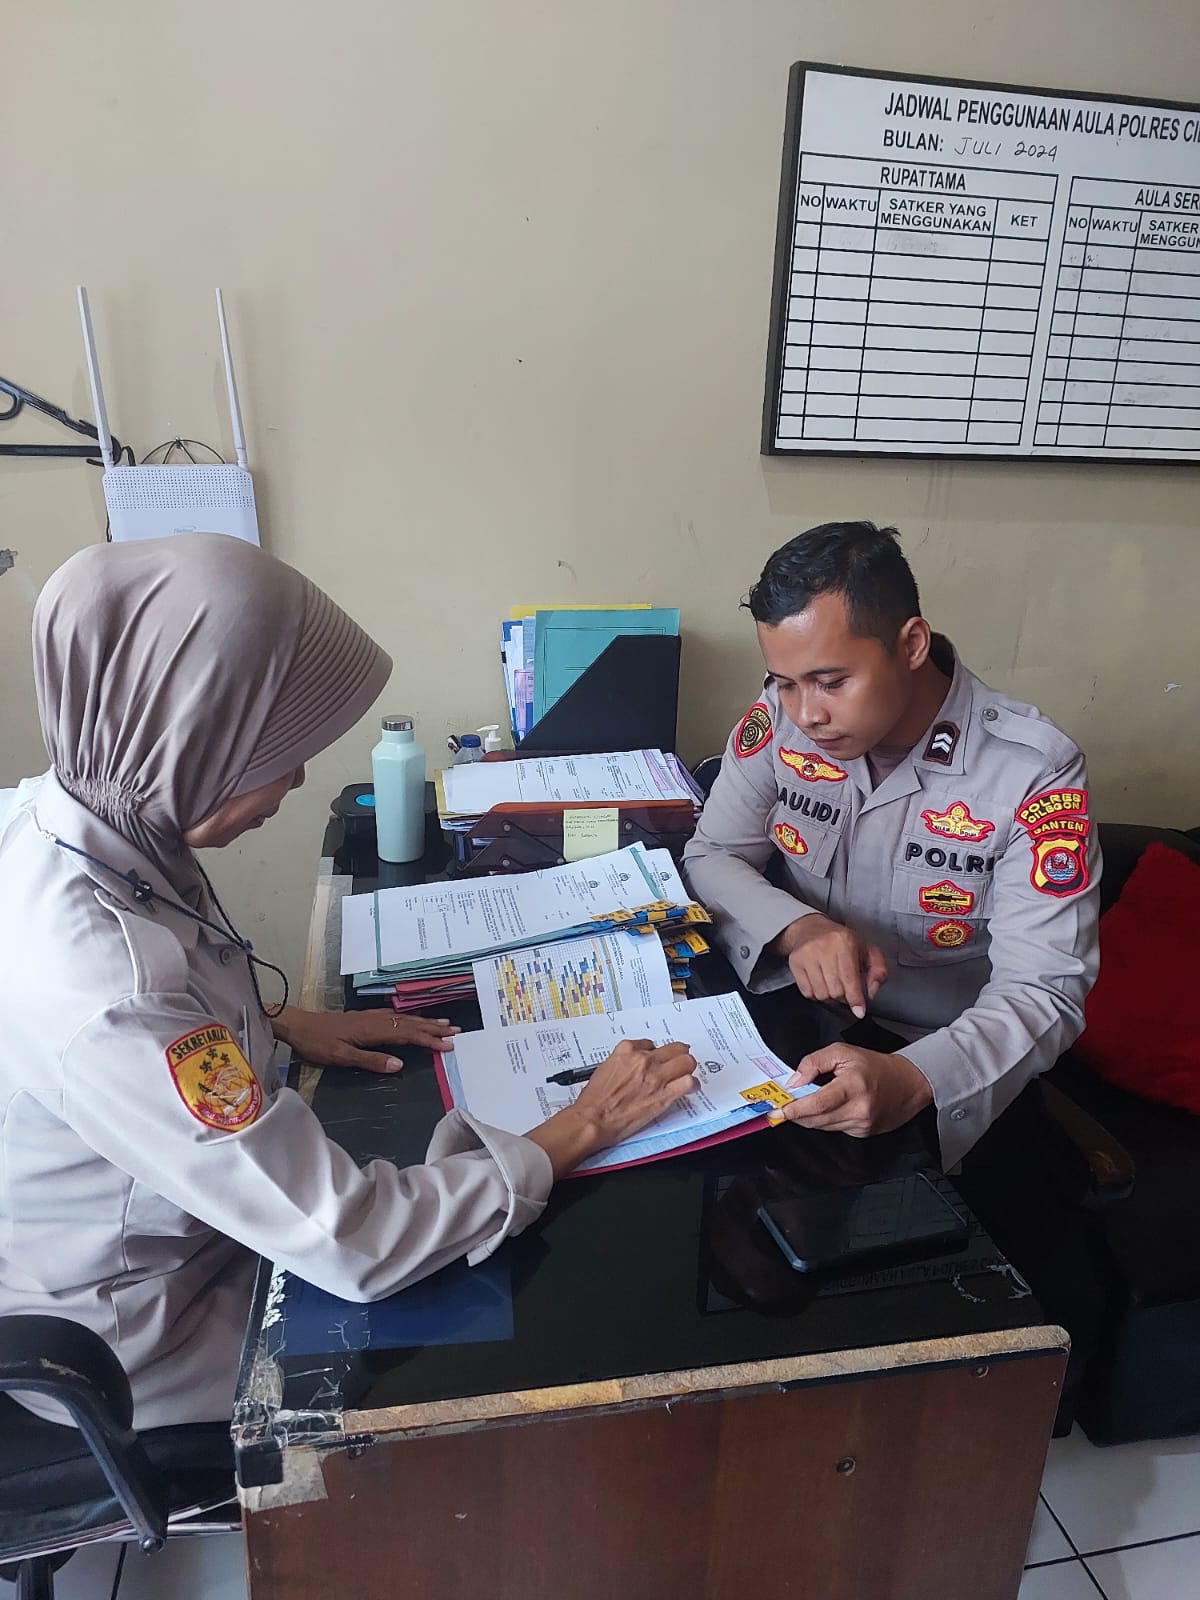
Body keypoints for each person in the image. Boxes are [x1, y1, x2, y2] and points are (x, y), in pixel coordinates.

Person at [0, 533, 697, 1430]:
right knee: (493, 1372)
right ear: (188, 741)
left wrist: (271, 1018)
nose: (295, 777)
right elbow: (352, 1239)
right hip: (145, 1326)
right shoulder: (106, 988)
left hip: (174, 1226)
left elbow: (151, 1009)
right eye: (273, 751)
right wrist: (583, 1124)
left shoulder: (67, 805)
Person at [683, 521, 1100, 1169]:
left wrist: (916, 1077)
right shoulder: (781, 721)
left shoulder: (1031, 772)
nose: (806, 714)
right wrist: (797, 929)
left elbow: (1044, 990)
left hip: (940, 1060)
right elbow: (712, 854)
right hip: (788, 1029)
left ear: (910, 645)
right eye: (786, 682)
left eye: (830, 681)